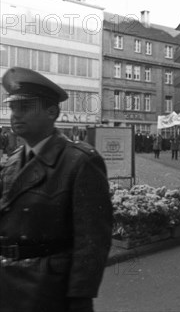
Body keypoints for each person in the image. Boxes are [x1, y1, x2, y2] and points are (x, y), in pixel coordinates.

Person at [0, 67, 113, 312]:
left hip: (49, 289)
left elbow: (93, 238)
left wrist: (79, 298)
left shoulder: (80, 161)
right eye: (13, 108)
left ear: (52, 112)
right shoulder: (12, 161)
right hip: (9, 285)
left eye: (26, 107)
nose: (16, 115)